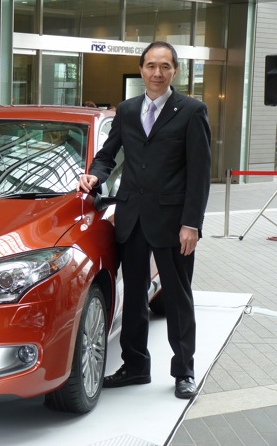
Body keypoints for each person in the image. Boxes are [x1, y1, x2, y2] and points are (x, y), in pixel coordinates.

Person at [78, 41, 211, 399]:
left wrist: (192, 224)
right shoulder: (127, 110)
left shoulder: (192, 111)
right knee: (134, 297)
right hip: (132, 218)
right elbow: (107, 155)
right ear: (141, 69)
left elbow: (199, 174)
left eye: (165, 66)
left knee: (178, 299)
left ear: (175, 70)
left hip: (173, 223)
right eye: (151, 65)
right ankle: (135, 366)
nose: (157, 72)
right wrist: (95, 175)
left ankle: (184, 371)